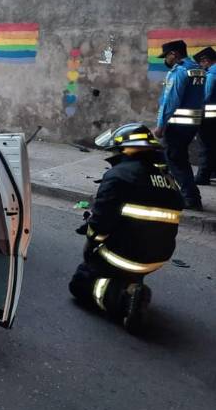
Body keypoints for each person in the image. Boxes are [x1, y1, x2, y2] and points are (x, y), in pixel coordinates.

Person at [69, 123, 184, 333]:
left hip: (125, 257)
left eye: (115, 150)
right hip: (156, 258)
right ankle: (130, 284)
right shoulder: (170, 181)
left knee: (80, 283)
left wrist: (90, 245)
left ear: (126, 150)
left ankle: (124, 297)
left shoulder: (119, 175)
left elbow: (100, 225)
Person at [153, 40, 206, 210]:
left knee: (176, 160)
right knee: (175, 158)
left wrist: (160, 125)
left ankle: (191, 198)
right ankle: (176, 192)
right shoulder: (197, 69)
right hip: (192, 123)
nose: (165, 60)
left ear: (174, 54)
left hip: (177, 124)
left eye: (166, 56)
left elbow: (170, 101)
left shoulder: (180, 71)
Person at [194, 46, 216, 185]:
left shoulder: (212, 74)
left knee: (206, 145)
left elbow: (205, 96)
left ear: (206, 61)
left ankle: (203, 175)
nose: (201, 66)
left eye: (201, 63)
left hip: (209, 117)